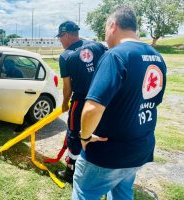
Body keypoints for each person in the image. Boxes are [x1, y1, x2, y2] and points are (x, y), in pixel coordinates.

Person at [72, 6, 167, 199]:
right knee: (122, 192)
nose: (105, 36)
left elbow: (92, 107)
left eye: (106, 29)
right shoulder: (157, 57)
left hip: (109, 152)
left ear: (113, 25)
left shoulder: (115, 55)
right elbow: (153, 101)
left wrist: (84, 137)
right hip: (139, 148)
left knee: (84, 192)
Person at [55, 20, 107, 183]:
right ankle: (98, 168)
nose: (60, 41)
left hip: (81, 101)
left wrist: (64, 104)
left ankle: (71, 171)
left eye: (60, 37)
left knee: (73, 134)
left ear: (67, 35)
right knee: (99, 132)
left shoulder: (65, 56)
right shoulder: (98, 46)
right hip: (101, 100)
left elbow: (67, 87)